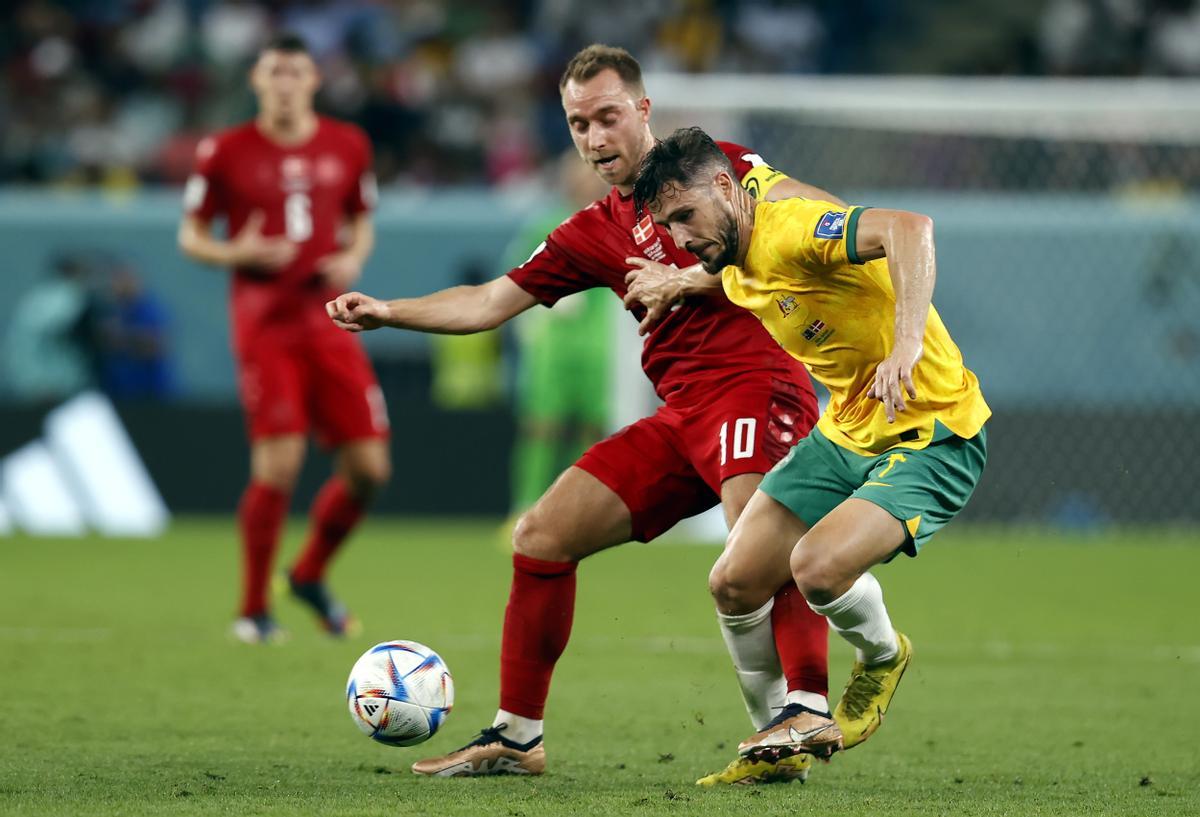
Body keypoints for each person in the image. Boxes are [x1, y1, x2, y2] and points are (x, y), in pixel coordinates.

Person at [328, 45, 850, 785]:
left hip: (757, 386)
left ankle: (803, 708)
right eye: (579, 123)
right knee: (541, 535)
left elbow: (817, 213)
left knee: (759, 550)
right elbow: (488, 301)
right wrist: (388, 311)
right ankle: (516, 735)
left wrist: (697, 276)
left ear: (642, 110)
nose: (596, 137)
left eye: (608, 116)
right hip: (683, 415)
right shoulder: (591, 229)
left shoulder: (719, 167)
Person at [634, 126, 990, 760]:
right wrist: (684, 280)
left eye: (686, 215)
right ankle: (781, 735)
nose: (682, 237)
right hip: (848, 426)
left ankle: (883, 656)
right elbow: (757, 273)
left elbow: (910, 228)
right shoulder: (733, 240)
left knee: (818, 568)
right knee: (734, 582)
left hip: (931, 426)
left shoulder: (791, 227)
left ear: (724, 185)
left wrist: (907, 344)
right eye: (670, 226)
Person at [178, 34, 391, 644]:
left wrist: (351, 259)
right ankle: (252, 610)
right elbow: (190, 236)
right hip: (265, 325)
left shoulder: (348, 144)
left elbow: (361, 223)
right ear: (256, 80)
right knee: (280, 465)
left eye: (296, 71)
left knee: (370, 469)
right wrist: (234, 251)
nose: (285, 82)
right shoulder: (225, 149)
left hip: (330, 321)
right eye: (274, 71)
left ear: (314, 80)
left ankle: (307, 575)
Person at [506, 152, 613, 515]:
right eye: (577, 172)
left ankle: (574, 509)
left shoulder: (615, 221)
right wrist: (530, 324)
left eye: (590, 172)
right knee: (542, 426)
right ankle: (526, 505)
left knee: (592, 429)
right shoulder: (545, 225)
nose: (584, 180)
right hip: (553, 342)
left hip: (598, 341)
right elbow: (518, 276)